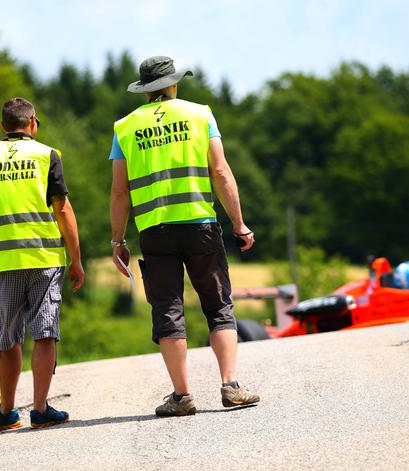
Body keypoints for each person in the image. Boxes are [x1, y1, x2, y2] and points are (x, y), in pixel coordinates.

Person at [109, 56, 260, 416]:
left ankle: (182, 396)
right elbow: (220, 171)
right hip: (200, 224)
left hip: (154, 229)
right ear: (173, 83)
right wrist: (239, 224)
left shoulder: (125, 127)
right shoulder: (199, 114)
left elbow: (119, 191)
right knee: (218, 304)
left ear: (145, 89)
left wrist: (118, 241)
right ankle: (230, 386)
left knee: (167, 309)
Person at [0, 97, 84, 432]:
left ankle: (6, 412)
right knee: (44, 333)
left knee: (8, 337)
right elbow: (63, 211)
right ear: (33, 122)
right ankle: (41, 409)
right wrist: (76, 260)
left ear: (3, 126)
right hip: (44, 258)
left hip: (2, 261)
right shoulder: (48, 155)